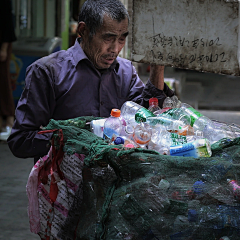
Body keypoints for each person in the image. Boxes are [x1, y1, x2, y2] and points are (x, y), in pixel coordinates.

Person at [8, 0, 175, 162]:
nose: (115, 49)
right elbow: (20, 140)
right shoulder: (47, 72)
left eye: (122, 39)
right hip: (62, 184)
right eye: (108, 38)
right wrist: (73, 139)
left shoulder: (126, 71)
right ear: (83, 30)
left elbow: (149, 120)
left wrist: (157, 67)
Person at [0, 0, 17, 141]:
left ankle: (10, 122)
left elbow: (7, 23)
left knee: (4, 82)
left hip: (2, 45)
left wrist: (4, 48)